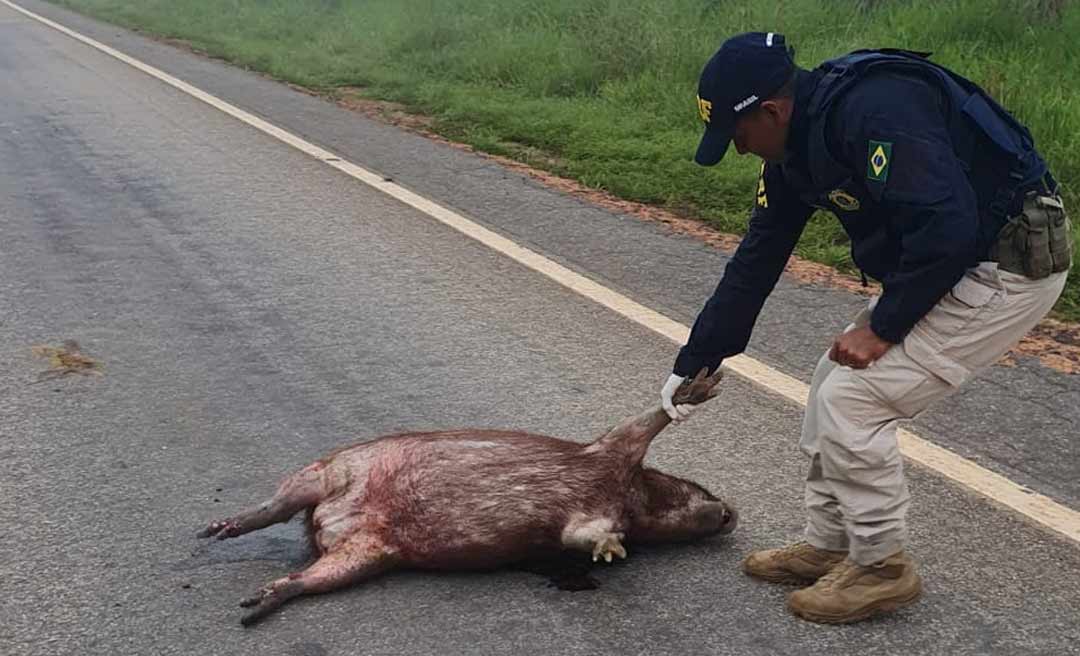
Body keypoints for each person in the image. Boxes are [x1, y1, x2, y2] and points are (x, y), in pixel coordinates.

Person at [661, 32, 1072, 624]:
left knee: (854, 400)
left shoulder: (875, 110)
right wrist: (696, 359)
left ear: (772, 111)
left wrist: (884, 325)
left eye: (738, 136)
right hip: (949, 257)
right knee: (828, 382)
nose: (739, 150)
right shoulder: (794, 150)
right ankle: (832, 543)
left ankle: (881, 567)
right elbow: (758, 256)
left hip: (1006, 265)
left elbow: (948, 226)